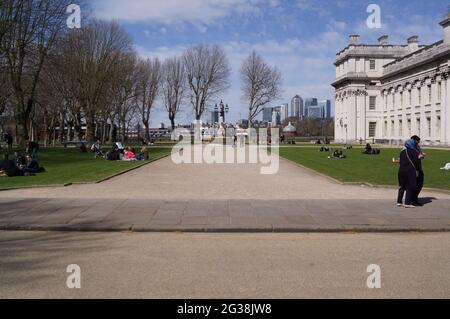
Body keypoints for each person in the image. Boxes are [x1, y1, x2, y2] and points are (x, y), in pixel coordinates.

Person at [397, 137, 423, 208]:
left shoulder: (402, 151)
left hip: (401, 170)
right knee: (410, 186)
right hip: (410, 171)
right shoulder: (413, 151)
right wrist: (420, 157)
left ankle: (399, 202)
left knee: (402, 186)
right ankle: (407, 203)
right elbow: (416, 162)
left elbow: (400, 161)